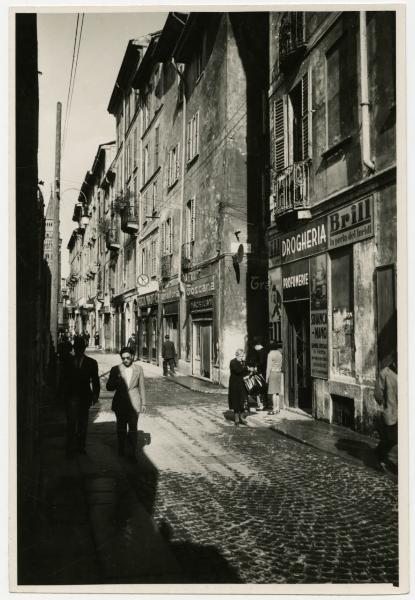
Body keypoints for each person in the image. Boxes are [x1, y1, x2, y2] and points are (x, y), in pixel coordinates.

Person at [61, 337, 100, 457]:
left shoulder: (92, 363)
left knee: (83, 423)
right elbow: (62, 380)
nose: (79, 350)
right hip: (71, 396)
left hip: (84, 397)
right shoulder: (68, 361)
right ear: (74, 349)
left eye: (81, 348)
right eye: (77, 348)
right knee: (71, 423)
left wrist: (95, 395)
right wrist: (60, 396)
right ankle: (70, 448)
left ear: (84, 348)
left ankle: (80, 447)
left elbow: (95, 381)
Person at [106, 347, 146, 463]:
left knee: (133, 429)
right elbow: (109, 387)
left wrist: (144, 403)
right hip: (120, 403)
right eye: (123, 358)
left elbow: (142, 387)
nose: (126, 360)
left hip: (134, 403)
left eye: (128, 358)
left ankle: (132, 453)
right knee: (121, 428)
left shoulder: (139, 369)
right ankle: (121, 449)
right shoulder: (115, 369)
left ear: (133, 356)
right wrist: (116, 382)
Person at [374, 354, 398, 470]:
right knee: (391, 439)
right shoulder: (385, 373)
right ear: (394, 361)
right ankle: (379, 454)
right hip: (390, 412)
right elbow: (378, 394)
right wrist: (383, 404)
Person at [228, 349, 249, 426]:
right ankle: (236, 418)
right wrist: (244, 366)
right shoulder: (233, 362)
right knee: (236, 400)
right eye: (241, 356)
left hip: (242, 384)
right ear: (237, 355)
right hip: (235, 384)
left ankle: (242, 417)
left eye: (243, 356)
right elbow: (238, 371)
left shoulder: (243, 362)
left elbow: (246, 372)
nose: (242, 357)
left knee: (243, 399)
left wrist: (246, 367)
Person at [246, 336, 268, 411]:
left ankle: (262, 404)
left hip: (260, 373)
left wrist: (255, 367)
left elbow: (261, 363)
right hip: (262, 372)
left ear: (257, 346)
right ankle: (263, 404)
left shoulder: (261, 352)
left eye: (254, 346)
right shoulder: (264, 351)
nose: (254, 348)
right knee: (262, 388)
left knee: (260, 388)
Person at [266, 341, 283, 415]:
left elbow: (268, 367)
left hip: (272, 373)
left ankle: (274, 409)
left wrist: (267, 377)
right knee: (277, 392)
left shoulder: (270, 354)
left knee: (273, 393)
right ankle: (278, 408)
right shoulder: (279, 353)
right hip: (278, 373)